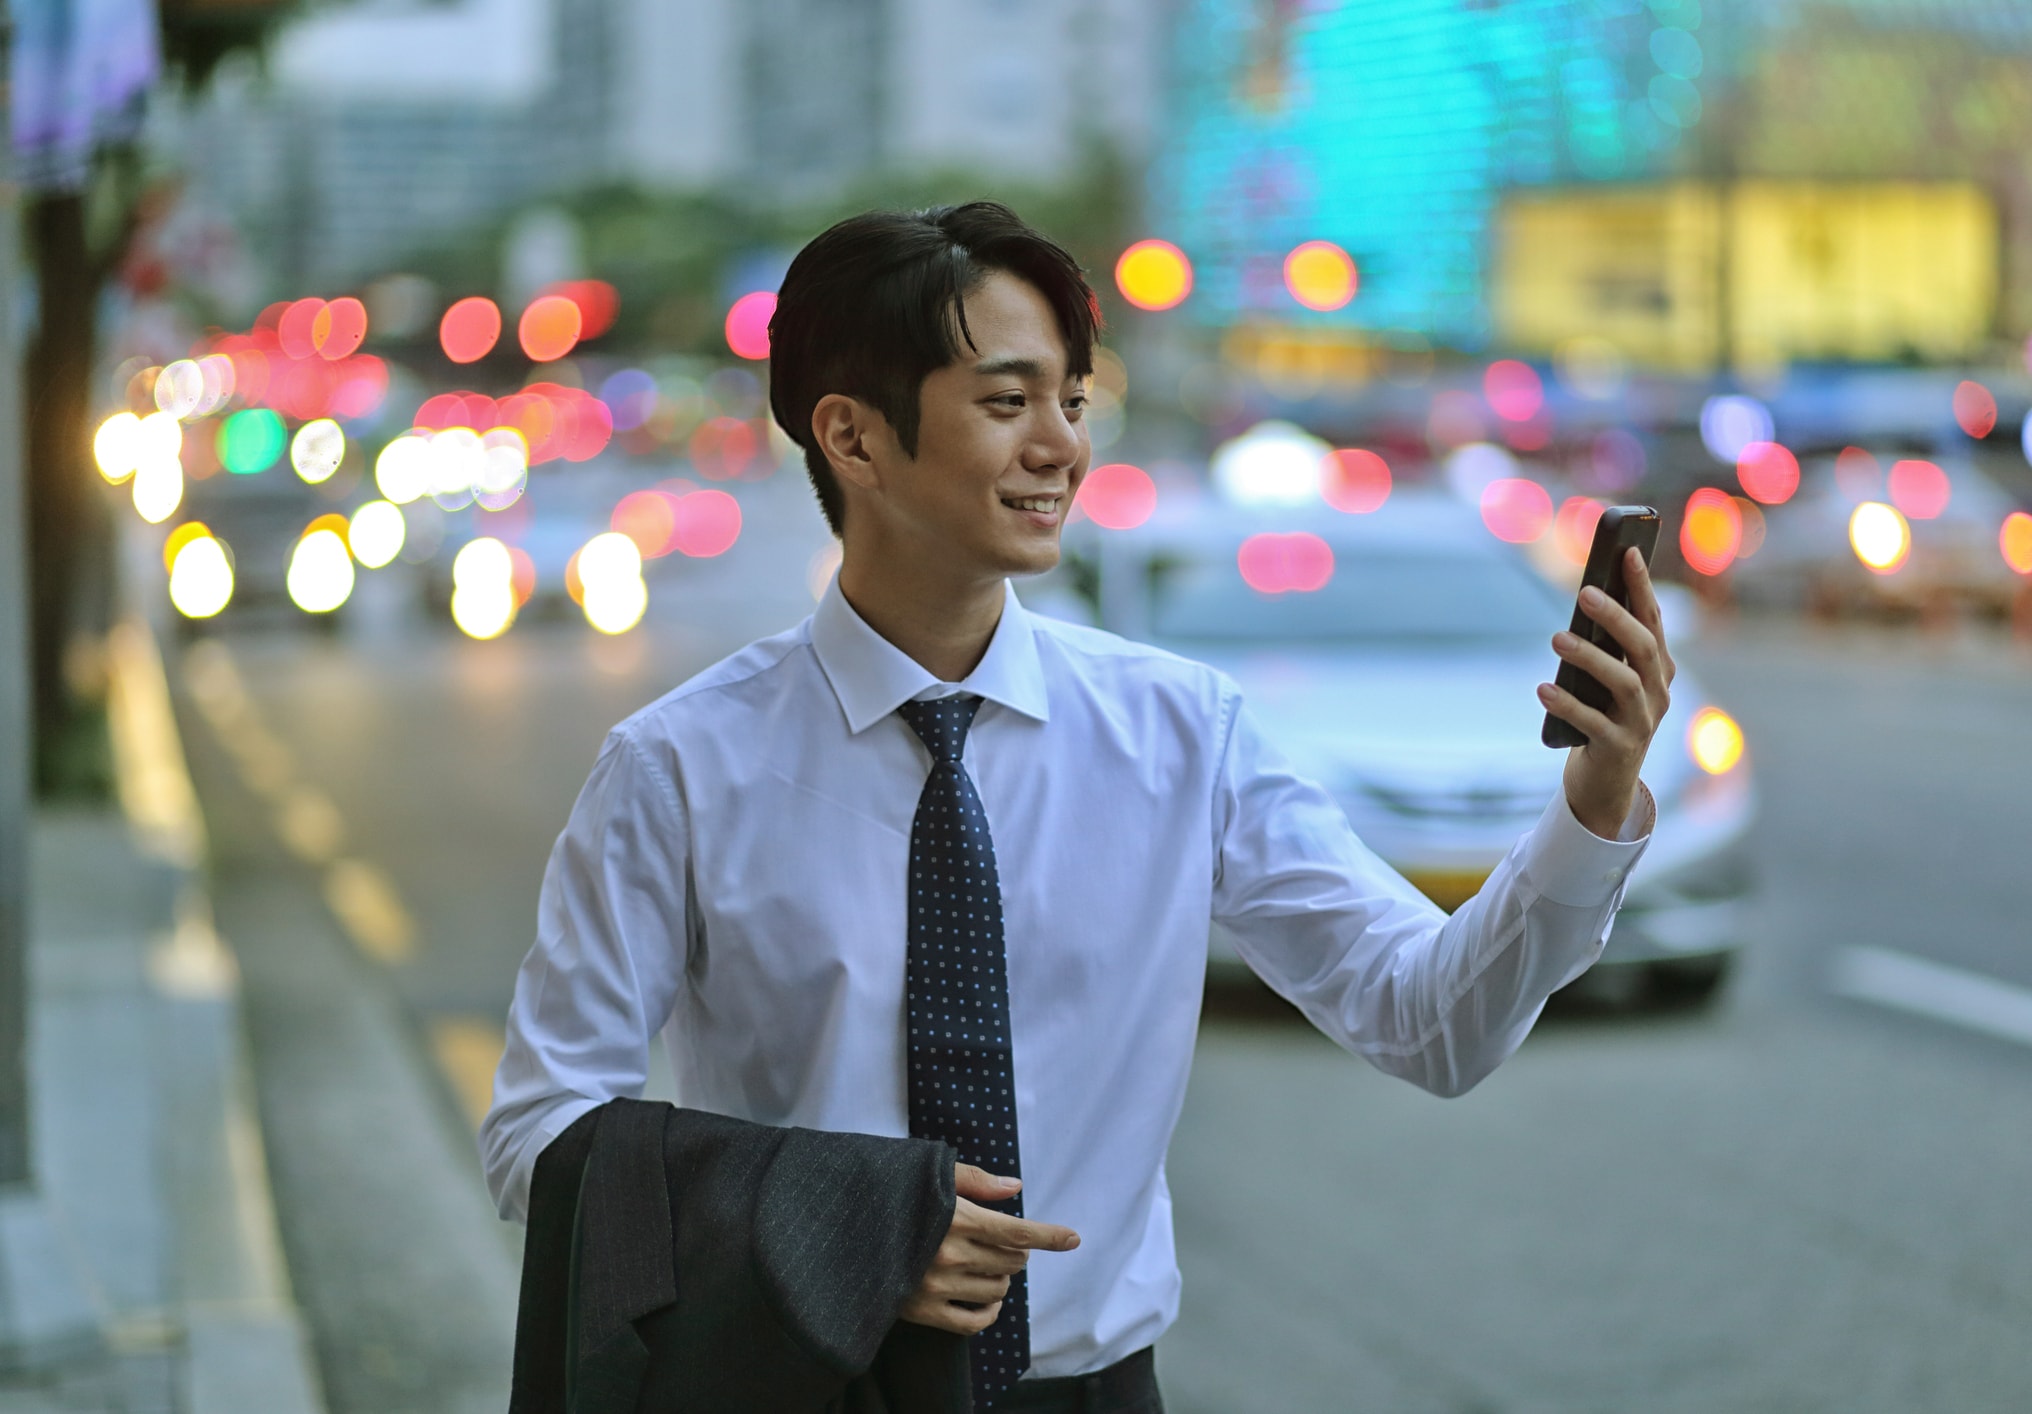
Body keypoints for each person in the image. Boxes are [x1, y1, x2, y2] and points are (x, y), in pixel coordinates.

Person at [479, 201, 1673, 1413]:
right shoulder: (678, 767)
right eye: (1007, 402)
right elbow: (539, 1129)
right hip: (807, 1385)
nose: (1060, 446)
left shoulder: (1180, 734)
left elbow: (1433, 1021)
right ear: (850, 436)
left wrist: (1592, 803)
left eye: (1072, 401)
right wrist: (839, 1229)